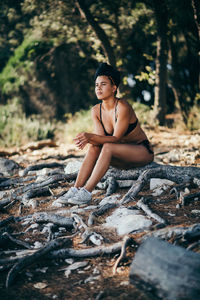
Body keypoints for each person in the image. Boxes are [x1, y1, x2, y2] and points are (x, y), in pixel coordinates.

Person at [56, 62, 154, 205]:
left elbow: (115, 138)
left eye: (103, 84)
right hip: (120, 157)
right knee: (95, 147)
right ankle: (76, 189)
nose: (98, 88)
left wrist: (89, 136)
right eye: (96, 85)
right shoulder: (96, 111)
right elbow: (100, 140)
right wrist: (88, 140)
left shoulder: (122, 107)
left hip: (141, 151)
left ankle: (87, 192)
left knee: (107, 146)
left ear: (114, 88)